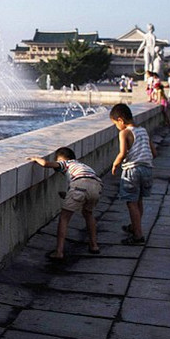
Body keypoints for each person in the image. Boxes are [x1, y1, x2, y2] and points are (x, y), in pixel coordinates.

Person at [27, 147, 102, 260]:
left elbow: (46, 164)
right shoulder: (82, 165)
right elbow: (84, 186)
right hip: (96, 186)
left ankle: (59, 252)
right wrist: (68, 195)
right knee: (88, 214)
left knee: (64, 218)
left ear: (60, 158)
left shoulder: (64, 163)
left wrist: (35, 158)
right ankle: (94, 245)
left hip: (79, 185)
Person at [110, 103, 156, 245]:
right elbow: (154, 152)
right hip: (147, 169)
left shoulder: (124, 132)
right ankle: (135, 227)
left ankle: (138, 235)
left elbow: (122, 153)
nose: (116, 127)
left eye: (115, 124)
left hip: (132, 171)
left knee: (131, 202)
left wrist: (115, 164)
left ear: (120, 120)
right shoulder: (143, 130)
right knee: (139, 200)